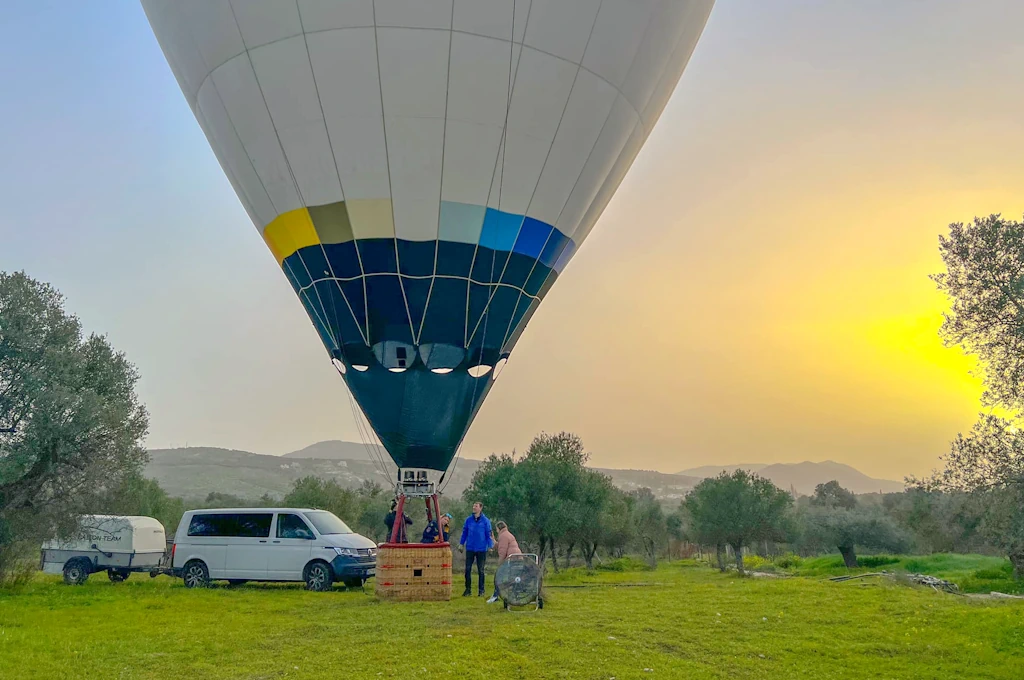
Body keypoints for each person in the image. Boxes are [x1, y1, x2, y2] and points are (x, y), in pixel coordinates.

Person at [459, 501, 493, 596]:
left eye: (476, 506)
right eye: (473, 506)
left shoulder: (486, 521)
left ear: (480, 508)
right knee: (468, 569)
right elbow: (464, 532)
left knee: (481, 570)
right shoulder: (468, 520)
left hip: (481, 548)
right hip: (470, 547)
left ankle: (481, 591)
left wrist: (490, 546)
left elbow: (488, 535)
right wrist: (461, 544)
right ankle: (468, 590)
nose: (474, 507)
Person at [487, 520, 521, 603]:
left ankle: (496, 596)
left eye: (496, 529)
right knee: (514, 578)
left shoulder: (503, 536)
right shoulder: (507, 534)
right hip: (518, 558)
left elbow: (502, 551)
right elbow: (500, 545)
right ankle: (515, 596)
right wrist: (493, 540)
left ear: (499, 528)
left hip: (511, 560)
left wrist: (500, 564)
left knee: (499, 576)